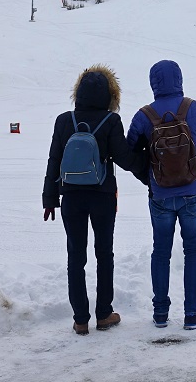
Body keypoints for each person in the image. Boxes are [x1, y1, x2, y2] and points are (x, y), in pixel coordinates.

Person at [126, 60, 196, 331]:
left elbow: (129, 156)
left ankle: (160, 313)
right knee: (193, 250)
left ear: (153, 83)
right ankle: (192, 313)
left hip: (159, 196)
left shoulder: (143, 116)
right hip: (192, 194)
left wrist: (150, 178)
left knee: (161, 251)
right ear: (179, 78)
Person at [42, 65, 134, 336]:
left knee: (75, 257)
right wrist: (150, 172)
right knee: (104, 254)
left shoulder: (63, 120)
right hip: (103, 196)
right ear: (110, 95)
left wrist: (49, 198)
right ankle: (104, 313)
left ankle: (81, 319)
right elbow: (125, 159)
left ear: (78, 93)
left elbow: (54, 160)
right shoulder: (111, 121)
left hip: (71, 196)